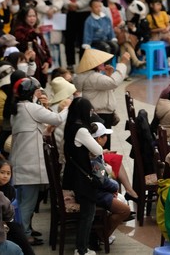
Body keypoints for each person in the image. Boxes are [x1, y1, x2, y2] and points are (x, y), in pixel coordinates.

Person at [11, 77, 64, 244]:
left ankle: (25, 229)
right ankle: (24, 235)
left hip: (23, 161)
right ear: (30, 92)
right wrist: (69, 107)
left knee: (25, 201)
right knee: (28, 202)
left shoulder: (19, 108)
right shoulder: (30, 108)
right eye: (37, 90)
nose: (39, 93)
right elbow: (57, 119)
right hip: (29, 164)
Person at [62, 97, 103, 255]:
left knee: (87, 212)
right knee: (88, 213)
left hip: (74, 174)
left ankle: (82, 247)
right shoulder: (81, 130)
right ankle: (81, 249)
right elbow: (98, 150)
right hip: (82, 178)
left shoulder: (70, 126)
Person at [73, 48, 130, 149]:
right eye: (101, 62)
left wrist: (108, 76)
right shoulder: (94, 77)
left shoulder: (91, 76)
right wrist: (122, 63)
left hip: (98, 113)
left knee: (101, 144)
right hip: (101, 115)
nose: (104, 63)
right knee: (103, 145)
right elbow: (113, 82)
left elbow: (107, 88)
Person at [90, 122, 131, 239]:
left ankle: (103, 232)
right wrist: (114, 186)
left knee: (122, 200)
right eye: (105, 136)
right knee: (125, 210)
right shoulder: (93, 157)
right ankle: (102, 235)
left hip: (96, 190)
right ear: (99, 139)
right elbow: (102, 179)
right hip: (96, 193)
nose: (106, 138)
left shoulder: (94, 152)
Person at [62, 0, 95, 70]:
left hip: (83, 12)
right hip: (70, 11)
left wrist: (79, 4)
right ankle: (70, 63)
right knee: (69, 38)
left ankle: (83, 63)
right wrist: (68, 4)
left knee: (82, 38)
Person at [13, 6, 52, 85]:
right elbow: (22, 44)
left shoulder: (36, 30)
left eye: (34, 16)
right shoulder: (19, 30)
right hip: (28, 69)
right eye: (29, 16)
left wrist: (48, 62)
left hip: (41, 69)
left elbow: (46, 49)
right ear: (24, 17)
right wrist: (34, 33)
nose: (32, 19)